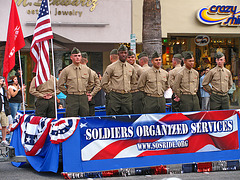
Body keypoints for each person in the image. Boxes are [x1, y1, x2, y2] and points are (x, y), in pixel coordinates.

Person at [58, 47, 94, 117]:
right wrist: (68, 92)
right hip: (72, 97)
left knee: (85, 117)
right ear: (71, 57)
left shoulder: (87, 70)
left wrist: (86, 90)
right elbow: (60, 85)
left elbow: (91, 82)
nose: (77, 58)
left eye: (79, 56)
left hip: (83, 97)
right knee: (71, 117)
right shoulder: (66, 70)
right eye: (75, 56)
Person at [101, 44, 137, 115]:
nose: (123, 55)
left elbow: (133, 82)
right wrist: (110, 92)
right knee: (112, 117)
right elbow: (103, 82)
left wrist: (129, 90)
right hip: (114, 96)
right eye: (121, 53)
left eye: (125, 53)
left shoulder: (131, 68)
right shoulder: (111, 67)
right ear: (118, 54)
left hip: (127, 97)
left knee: (127, 117)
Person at [81, 52, 101, 116]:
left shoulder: (74, 71)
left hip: (78, 96)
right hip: (89, 97)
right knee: (90, 118)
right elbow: (98, 85)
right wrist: (91, 94)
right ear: (87, 61)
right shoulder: (93, 72)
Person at [0, 76, 11, 146]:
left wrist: (6, 89)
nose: (2, 82)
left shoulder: (3, 89)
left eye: (3, 81)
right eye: (1, 81)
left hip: (4, 109)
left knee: (4, 125)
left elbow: (9, 97)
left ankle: (4, 139)